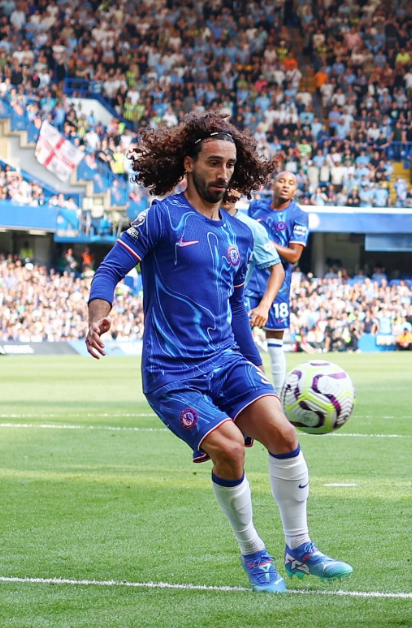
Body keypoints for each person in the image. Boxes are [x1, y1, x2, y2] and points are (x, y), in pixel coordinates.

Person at [85, 112, 351, 592]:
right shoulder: (161, 216)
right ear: (188, 164)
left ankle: (300, 550)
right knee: (230, 449)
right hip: (171, 373)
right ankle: (255, 553)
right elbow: (109, 270)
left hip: (226, 359)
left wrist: (253, 373)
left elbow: (235, 308)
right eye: (213, 163)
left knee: (284, 433)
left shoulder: (241, 233)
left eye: (229, 165)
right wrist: (95, 315)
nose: (222, 172)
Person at [247, 171, 309, 391]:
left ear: (295, 190)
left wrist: (265, 242)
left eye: (291, 183)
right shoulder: (256, 208)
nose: (285, 186)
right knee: (238, 335)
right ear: (272, 184)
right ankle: (246, 388)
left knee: (275, 345)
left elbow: (294, 255)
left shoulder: (299, 216)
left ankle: (280, 395)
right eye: (281, 181)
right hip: (249, 282)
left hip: (278, 285)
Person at [222, 191, 285, 329]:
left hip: (231, 314)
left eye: (234, 186)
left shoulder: (252, 228)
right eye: (224, 184)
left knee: (247, 351)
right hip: (194, 313)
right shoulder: (194, 220)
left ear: (241, 190)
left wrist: (264, 306)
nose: (228, 191)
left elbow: (278, 270)